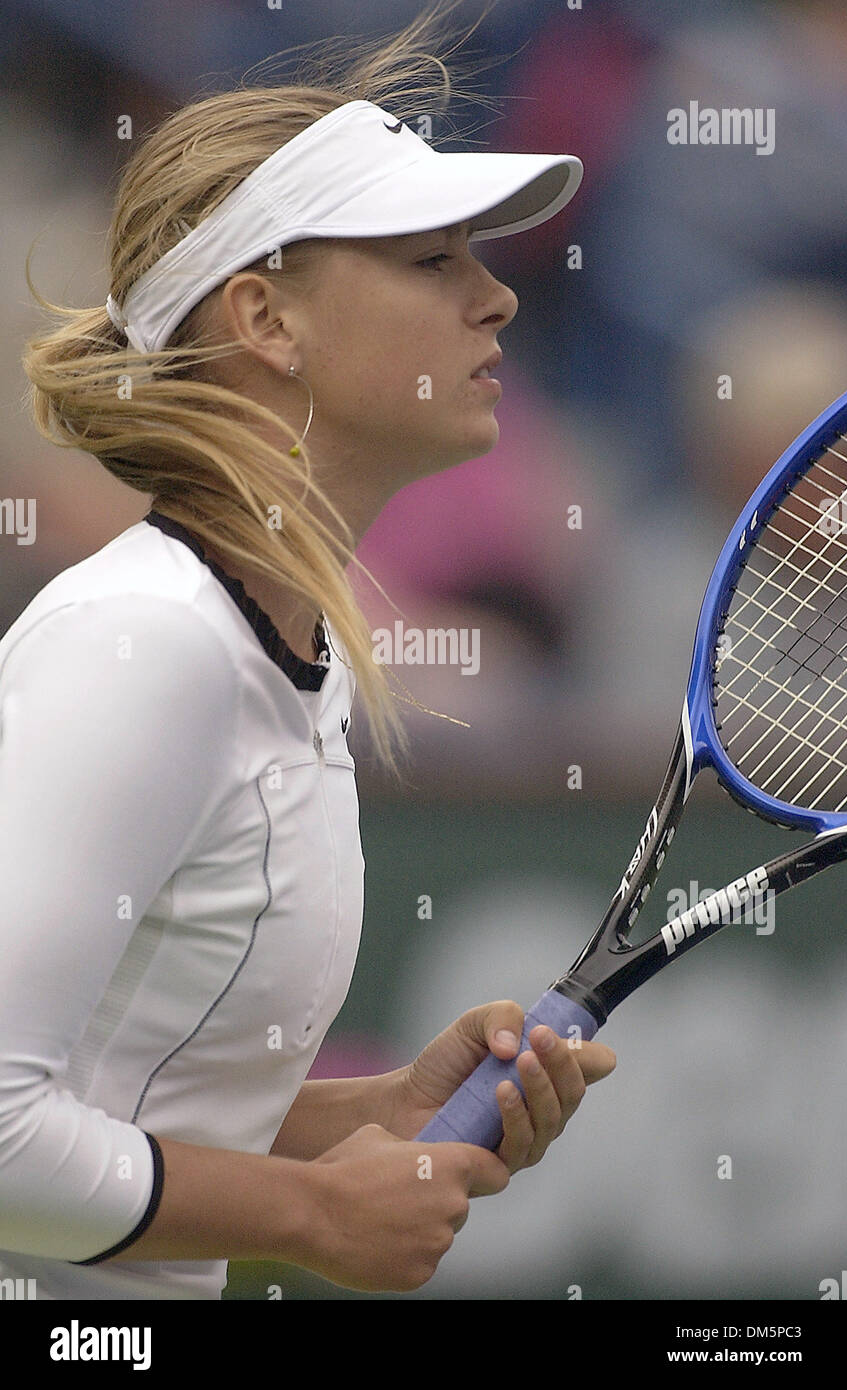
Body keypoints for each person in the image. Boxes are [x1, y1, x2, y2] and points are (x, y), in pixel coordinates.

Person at [2, 3, 615, 1299]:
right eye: (430, 260)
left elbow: (120, 1101)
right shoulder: (146, 643)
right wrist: (311, 1214)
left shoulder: (285, 650)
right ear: (266, 321)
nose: (497, 295)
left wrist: (373, 1120)